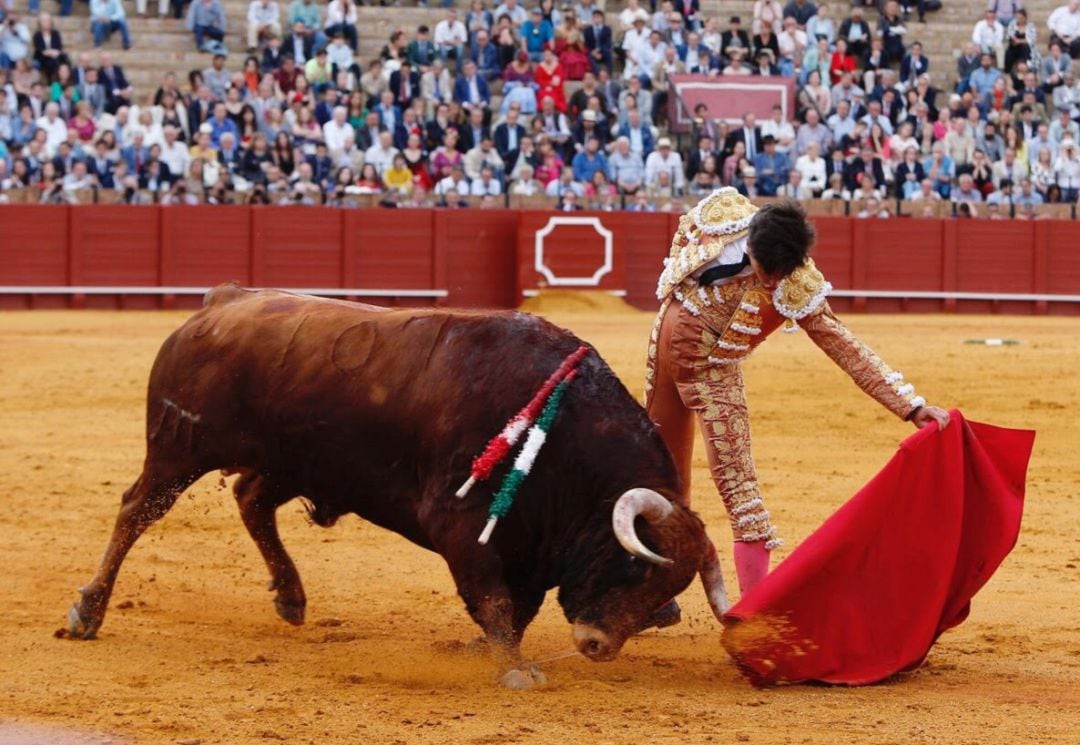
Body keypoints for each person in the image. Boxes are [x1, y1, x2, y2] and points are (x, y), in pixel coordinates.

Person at [645, 193, 949, 598]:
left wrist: (909, 406)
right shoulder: (718, 215)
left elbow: (843, 344)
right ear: (750, 245)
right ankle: (652, 593)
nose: (772, 283)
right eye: (766, 270)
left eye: (780, 273)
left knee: (742, 493)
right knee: (657, 473)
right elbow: (680, 255)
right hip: (665, 341)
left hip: (713, 367)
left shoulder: (797, 281)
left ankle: (757, 610)